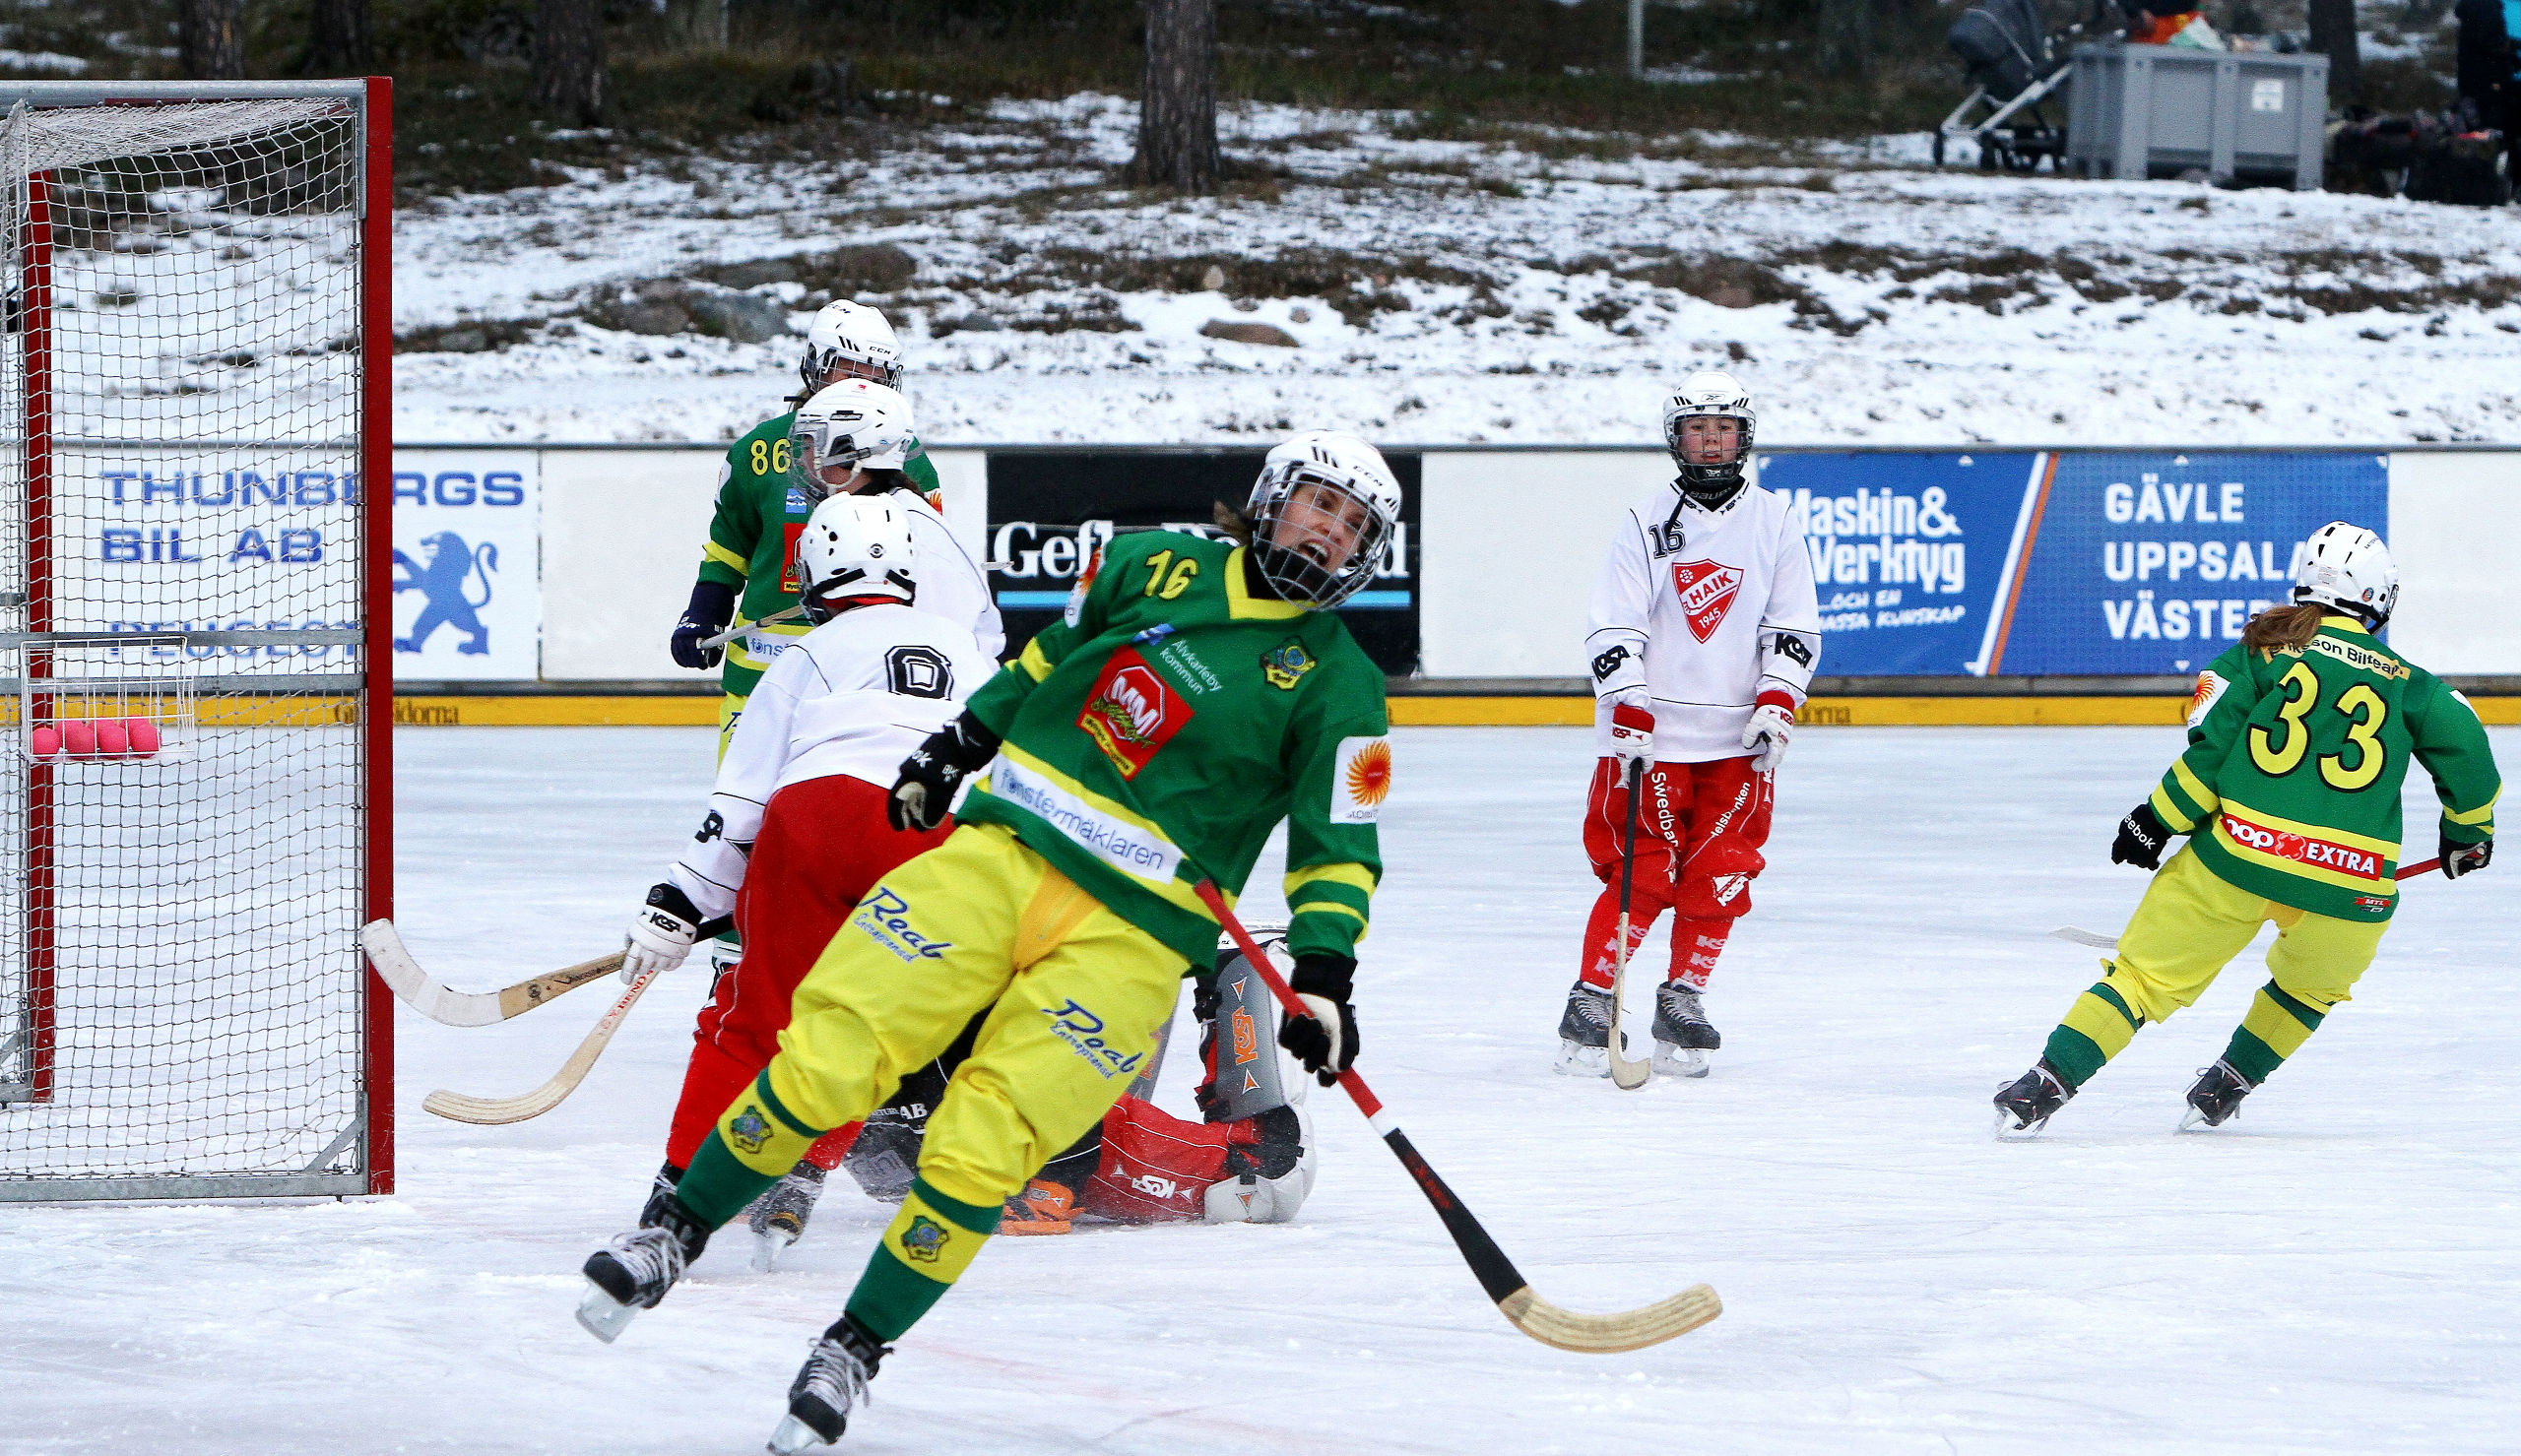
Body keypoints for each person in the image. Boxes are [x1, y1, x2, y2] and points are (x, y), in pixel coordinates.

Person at [577, 429, 1401, 1454]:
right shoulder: (1153, 565)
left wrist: (1324, 973)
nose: (1329, 535)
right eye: (1320, 508)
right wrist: (957, 742)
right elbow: (1044, 664)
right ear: (1273, 501)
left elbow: (1340, 847)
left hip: (1133, 939)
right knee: (835, 1048)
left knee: (985, 1151)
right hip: (1004, 855)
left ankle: (854, 1350)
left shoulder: (1343, 687)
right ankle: (674, 1232)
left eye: (1354, 527)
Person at [1994, 523, 2499, 1137]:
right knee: (2308, 990)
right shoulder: (2409, 683)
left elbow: (2211, 752)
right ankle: (2228, 1084)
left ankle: (2046, 1084)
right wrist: (2469, 831)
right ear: (2381, 598)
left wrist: (2155, 820)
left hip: (2237, 858)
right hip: (2351, 885)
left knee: (2143, 979)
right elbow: (2468, 747)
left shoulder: (2261, 653)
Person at [618, 492, 996, 1264]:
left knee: (749, 1018)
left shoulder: (804, 655)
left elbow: (741, 802)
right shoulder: (968, 649)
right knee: (873, 1030)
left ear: (815, 569)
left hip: (821, 818)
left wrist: (685, 899)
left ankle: (676, 1202)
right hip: (941, 839)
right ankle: (802, 1173)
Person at [1557, 370, 1821, 1079]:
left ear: (1744, 436)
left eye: (1723, 428)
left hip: (1737, 741)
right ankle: (1593, 993)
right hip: (1649, 735)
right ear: (1676, 439)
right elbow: (1614, 618)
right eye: (1697, 428)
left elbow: (1791, 622)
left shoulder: (1774, 520)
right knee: (1640, 869)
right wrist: (1629, 695)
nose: (1711, 440)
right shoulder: (1645, 521)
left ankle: (1684, 996)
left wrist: (1778, 698)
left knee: (1723, 874)